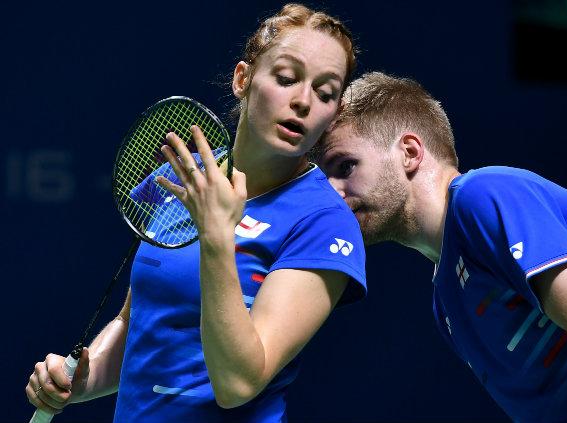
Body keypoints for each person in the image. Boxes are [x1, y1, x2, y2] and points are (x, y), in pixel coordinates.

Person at [25, 4, 367, 422]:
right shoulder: (183, 178)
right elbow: (139, 322)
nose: (302, 101)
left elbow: (239, 384)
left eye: (325, 93)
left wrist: (217, 236)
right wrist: (83, 376)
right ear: (243, 79)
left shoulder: (323, 223)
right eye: (286, 78)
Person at [314, 71, 567, 422]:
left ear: (410, 152)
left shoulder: (485, 194)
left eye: (345, 167)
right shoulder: (445, 304)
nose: (332, 193)